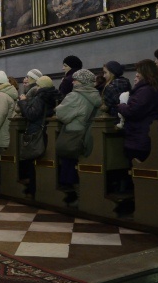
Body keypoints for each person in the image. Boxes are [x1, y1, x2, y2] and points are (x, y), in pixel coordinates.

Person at [115, 59, 158, 215]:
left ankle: (144, 208)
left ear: (145, 73)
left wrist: (121, 105)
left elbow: (133, 111)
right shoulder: (157, 88)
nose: (136, 74)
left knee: (140, 173)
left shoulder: (146, 90)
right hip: (145, 134)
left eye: (138, 72)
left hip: (140, 136)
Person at [55, 69, 101, 206]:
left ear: (81, 82)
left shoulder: (74, 96)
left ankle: (80, 198)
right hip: (88, 135)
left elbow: (61, 114)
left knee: (70, 167)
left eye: (75, 79)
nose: (73, 82)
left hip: (73, 135)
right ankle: (85, 197)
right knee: (80, 166)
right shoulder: (95, 94)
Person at [17, 75, 58, 197]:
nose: (36, 87)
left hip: (36, 131)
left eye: (38, 85)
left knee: (32, 161)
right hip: (47, 131)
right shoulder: (54, 95)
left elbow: (31, 114)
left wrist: (23, 101)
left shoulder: (41, 97)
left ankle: (33, 189)